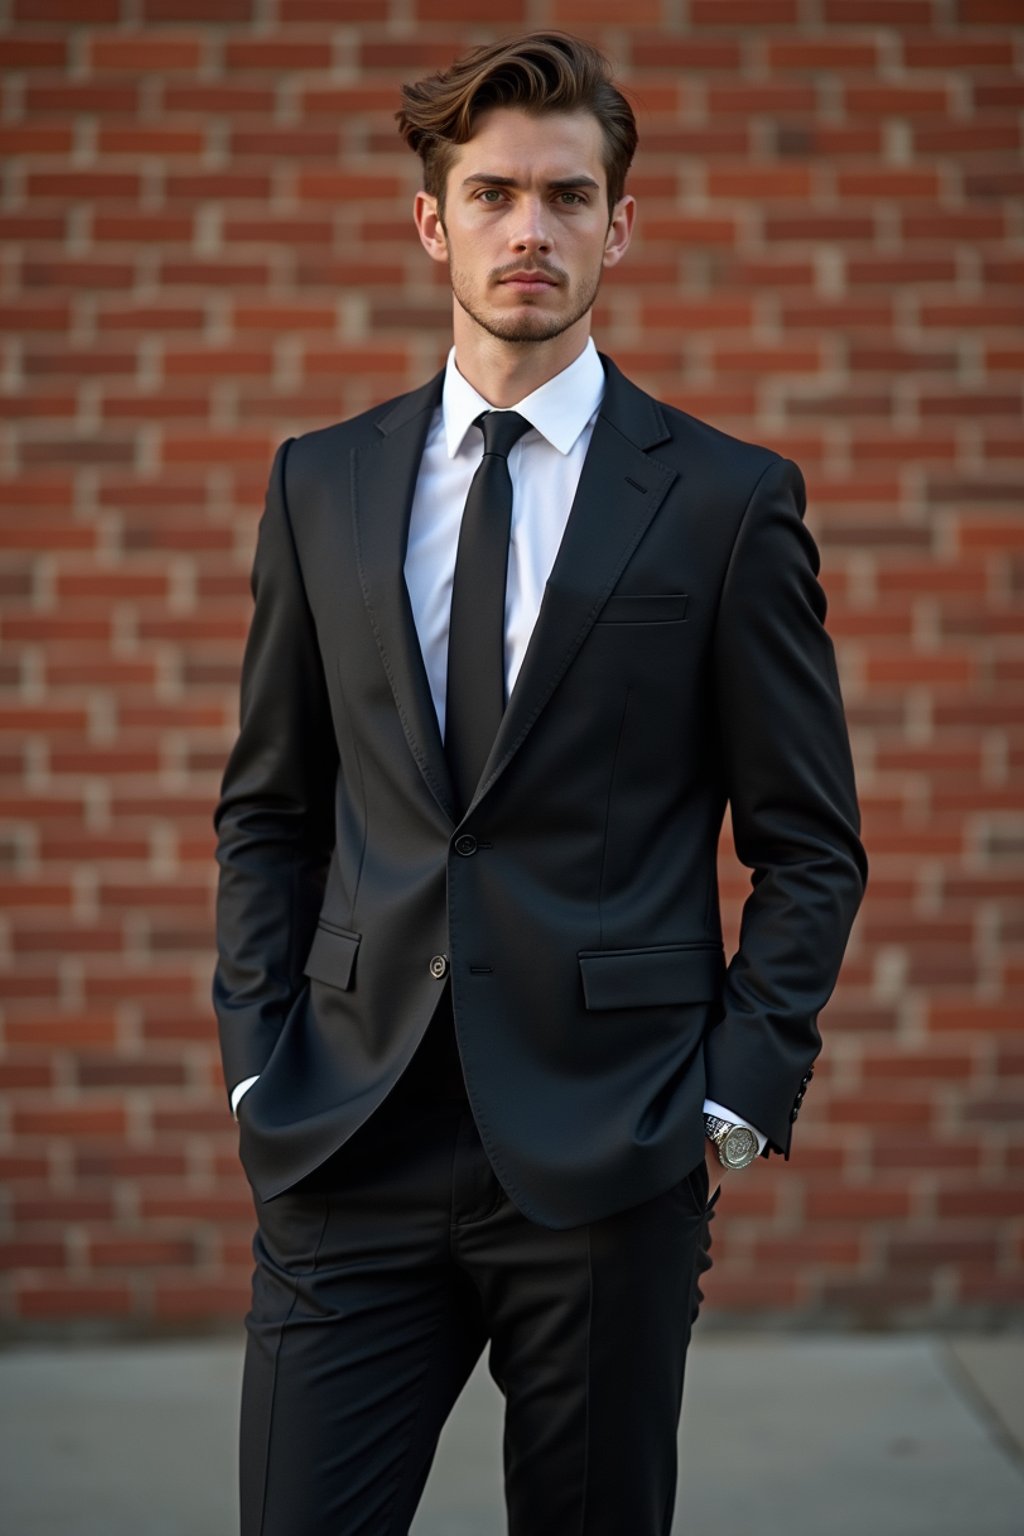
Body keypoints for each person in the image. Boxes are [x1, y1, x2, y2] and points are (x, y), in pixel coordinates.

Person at [213, 30, 867, 1536]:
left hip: (611, 1153)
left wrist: (731, 1104)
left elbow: (811, 843)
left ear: (619, 226)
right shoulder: (323, 482)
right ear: (431, 221)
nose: (532, 230)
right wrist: (259, 1058)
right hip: (347, 1135)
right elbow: (270, 806)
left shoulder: (723, 501)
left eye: (569, 197)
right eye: (495, 194)